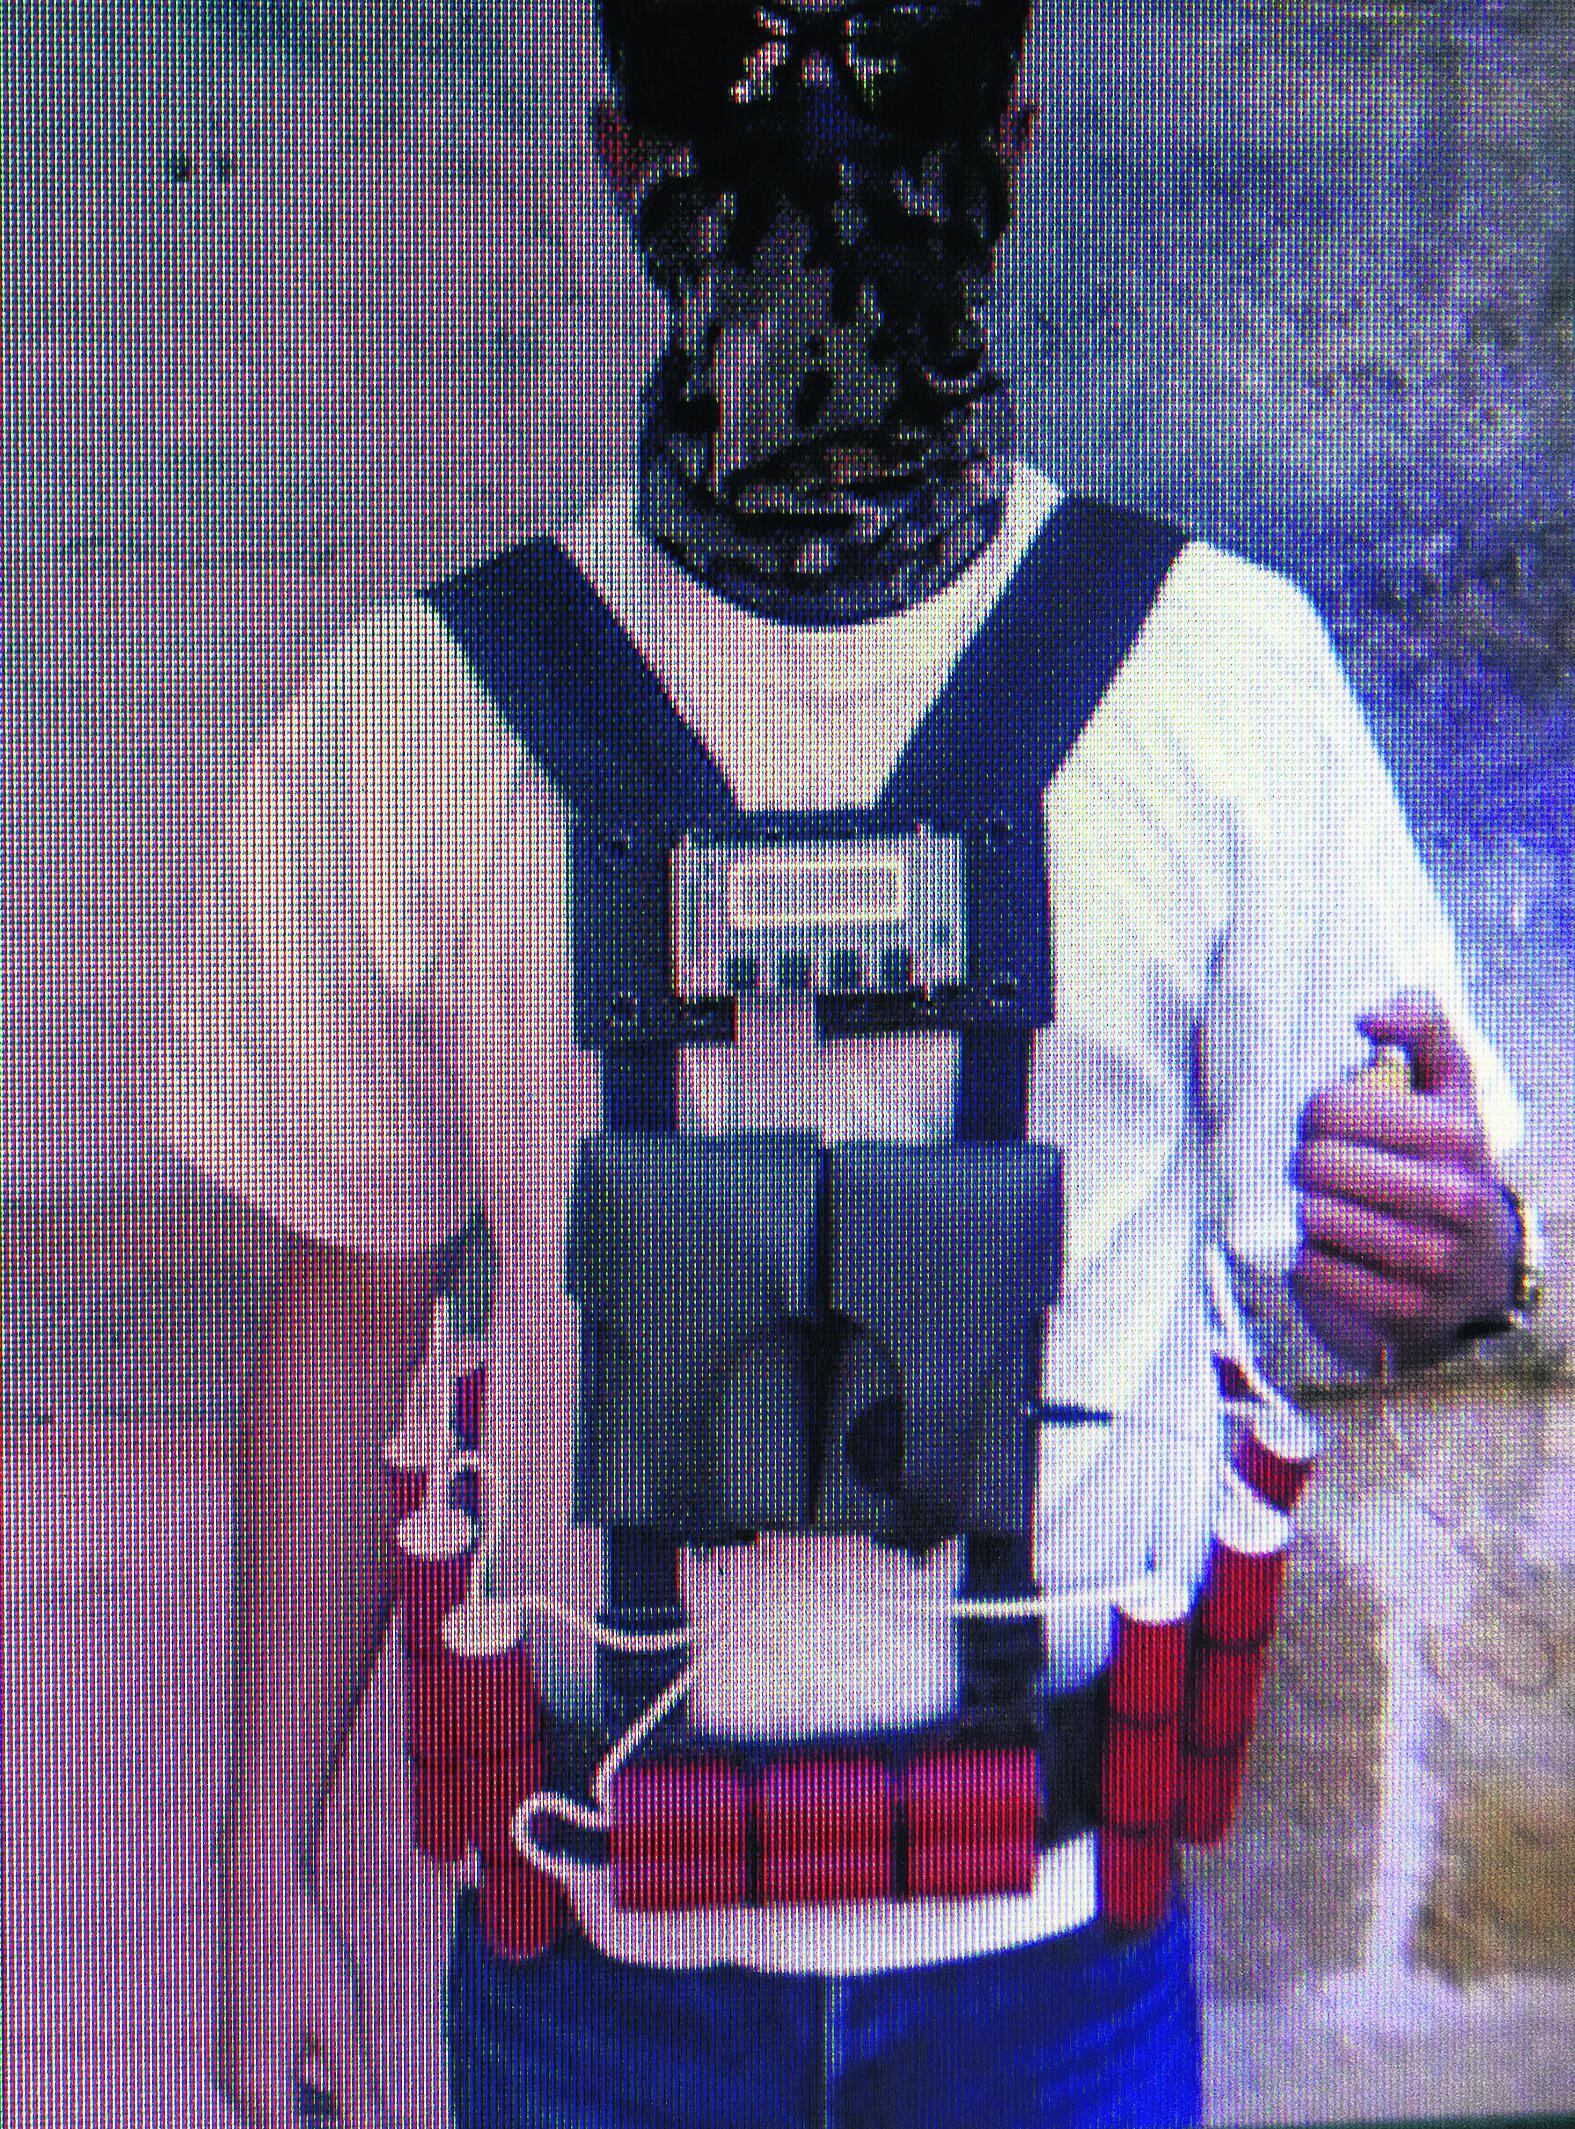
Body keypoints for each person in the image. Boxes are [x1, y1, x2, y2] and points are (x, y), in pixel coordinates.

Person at [155, 4, 1540, 2125]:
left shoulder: (1222, 678)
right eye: (742, 98)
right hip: (589, 1963)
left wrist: (1458, 1262)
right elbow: (343, 1315)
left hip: (1051, 1974)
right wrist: (261, 1873)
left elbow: (1403, 1261)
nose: (819, 159)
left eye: (892, 92)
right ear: (622, 161)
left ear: (1010, 142)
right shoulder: (407, 726)